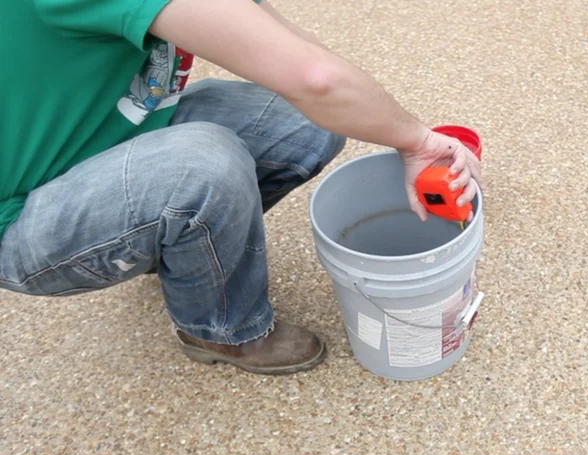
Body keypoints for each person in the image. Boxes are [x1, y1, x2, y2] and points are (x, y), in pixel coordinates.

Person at [0, 0, 482, 375]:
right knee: (204, 164)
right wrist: (416, 140)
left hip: (110, 135)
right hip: (28, 216)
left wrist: (393, 128)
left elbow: (294, 51)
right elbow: (315, 79)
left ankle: (174, 250)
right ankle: (221, 329)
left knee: (307, 125)